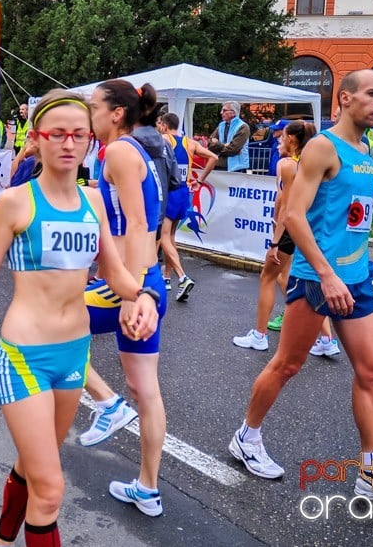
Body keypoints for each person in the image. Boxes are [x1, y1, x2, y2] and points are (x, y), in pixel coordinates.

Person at [0, 90, 161, 547]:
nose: (69, 143)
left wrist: (140, 294)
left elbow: (114, 271)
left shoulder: (94, 200)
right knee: (51, 488)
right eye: (57, 134)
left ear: (89, 142)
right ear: (37, 139)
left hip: (74, 356)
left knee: (32, 465)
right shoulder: (16, 202)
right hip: (24, 356)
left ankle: (1, 542)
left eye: (79, 134)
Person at [228, 70, 373, 504]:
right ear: (346, 98)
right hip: (318, 279)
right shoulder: (321, 147)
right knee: (287, 365)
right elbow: (295, 216)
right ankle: (246, 437)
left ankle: (372, 475)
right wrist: (326, 272)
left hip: (355, 280)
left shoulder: (367, 148)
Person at [79, 81, 171, 517]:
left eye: (94, 106)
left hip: (130, 282)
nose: (88, 113)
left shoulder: (118, 151)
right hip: (142, 277)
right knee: (145, 390)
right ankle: (147, 489)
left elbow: (137, 224)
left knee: (43, 329)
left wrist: (135, 291)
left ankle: (106, 402)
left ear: (116, 113)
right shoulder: (136, 150)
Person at [232, 122, 335, 354]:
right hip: (311, 227)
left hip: (291, 227)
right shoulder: (308, 163)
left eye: (281, 138)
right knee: (295, 279)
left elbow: (287, 205)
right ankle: (327, 340)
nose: (278, 142)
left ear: (291, 139)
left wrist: (275, 242)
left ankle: (259, 335)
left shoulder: (287, 165)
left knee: (267, 277)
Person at [158, 112, 217, 301]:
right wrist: (200, 180)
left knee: (163, 237)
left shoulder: (164, 139)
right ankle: (166, 277)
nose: (158, 127)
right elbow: (213, 157)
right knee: (172, 237)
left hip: (168, 192)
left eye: (160, 124)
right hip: (184, 192)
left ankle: (182, 277)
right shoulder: (190, 143)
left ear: (165, 125)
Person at [208, 101, 250, 173]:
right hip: (218, 165)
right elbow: (210, 144)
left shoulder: (243, 127)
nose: (221, 113)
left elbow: (233, 149)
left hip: (236, 167)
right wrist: (225, 145)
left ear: (234, 112)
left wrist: (217, 147)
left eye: (224, 110)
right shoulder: (221, 125)